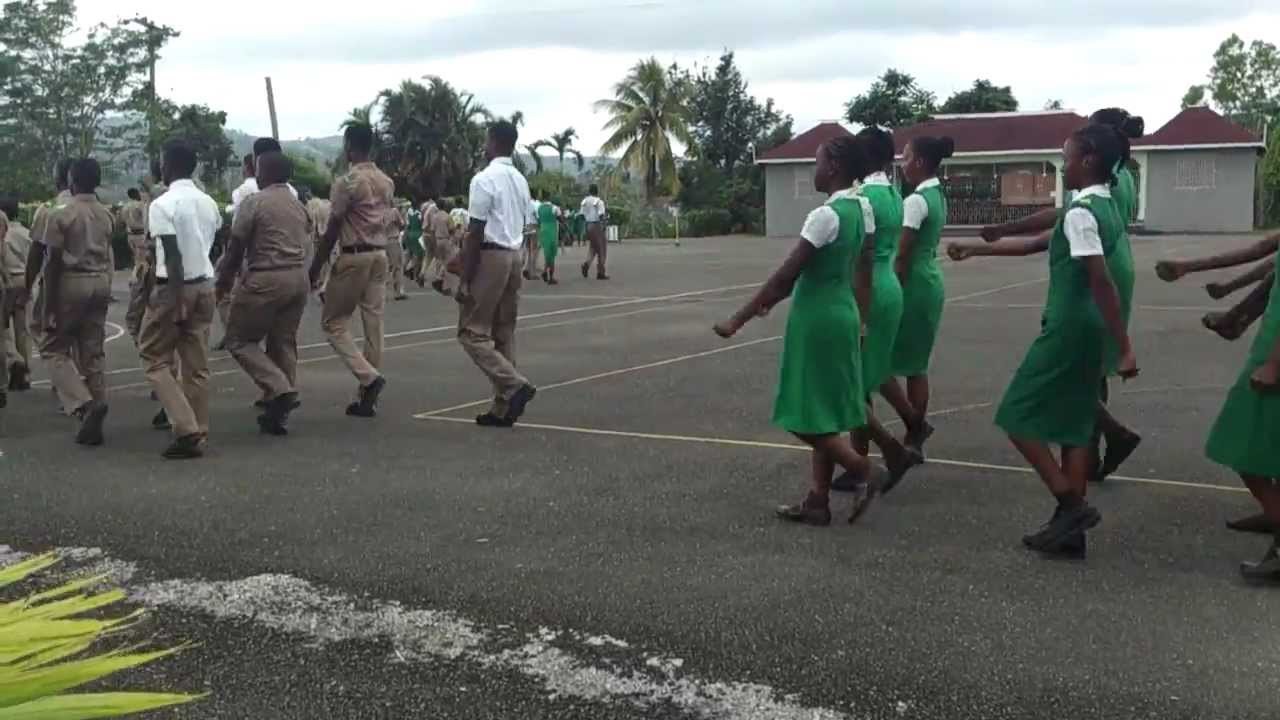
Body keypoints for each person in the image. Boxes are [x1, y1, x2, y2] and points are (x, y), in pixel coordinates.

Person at [949, 124, 1138, 558]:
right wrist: (980, 249)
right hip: (1088, 330)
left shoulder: (1080, 211)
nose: (1062, 164)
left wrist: (1125, 345)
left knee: (1017, 415)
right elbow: (1040, 242)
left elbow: (1101, 280)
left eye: (1066, 156)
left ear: (1088, 159)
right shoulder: (1103, 205)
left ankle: (1072, 506)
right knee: (1074, 428)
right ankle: (1070, 534)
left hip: (1070, 328)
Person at [713, 136, 888, 526]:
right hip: (842, 312)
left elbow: (784, 278)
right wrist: (861, 317)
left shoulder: (825, 216)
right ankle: (817, 500)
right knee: (824, 414)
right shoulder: (863, 207)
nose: (815, 169)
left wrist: (737, 318)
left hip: (818, 319)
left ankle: (864, 469)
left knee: (799, 413)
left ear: (836, 167)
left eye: (819, 161)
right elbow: (864, 267)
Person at [982, 109, 1146, 485]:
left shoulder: (1093, 197)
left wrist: (1125, 345)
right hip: (1109, 262)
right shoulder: (1120, 175)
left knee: (1069, 385)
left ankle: (1074, 488)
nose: (1062, 164)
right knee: (1087, 375)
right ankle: (1086, 468)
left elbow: (1069, 218)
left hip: (1092, 276)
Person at [1156, 233, 1280, 555]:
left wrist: (1274, 364)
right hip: (1269, 348)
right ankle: (1273, 511)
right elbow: (1261, 254)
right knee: (1270, 441)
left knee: (1240, 442)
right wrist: (1191, 266)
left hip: (1274, 357)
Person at [832, 127, 918, 495]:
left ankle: (864, 458)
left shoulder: (862, 197)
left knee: (854, 379)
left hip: (867, 287)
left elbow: (853, 253)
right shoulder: (895, 193)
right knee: (870, 373)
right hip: (889, 285)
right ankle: (910, 426)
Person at [215, 152, 310, 436]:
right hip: (297, 277)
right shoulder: (297, 205)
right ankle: (278, 411)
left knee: (239, 339)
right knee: (283, 341)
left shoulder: (254, 202)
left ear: (263, 173)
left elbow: (235, 247)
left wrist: (223, 282)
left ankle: (280, 389)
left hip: (265, 277)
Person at [140, 139, 222, 460]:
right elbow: (213, 243)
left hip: (174, 287)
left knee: (154, 356)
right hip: (205, 284)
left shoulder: (162, 204)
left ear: (168, 165)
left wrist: (176, 301)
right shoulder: (208, 202)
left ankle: (186, 428)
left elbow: (172, 256)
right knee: (196, 363)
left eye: (161, 160)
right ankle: (199, 429)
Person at [309, 123, 393, 418]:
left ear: (349, 147)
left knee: (333, 323)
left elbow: (333, 227)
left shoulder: (347, 182)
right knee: (374, 325)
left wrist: (316, 267)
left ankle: (368, 378)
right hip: (379, 255)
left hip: (354, 254)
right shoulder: (386, 181)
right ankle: (366, 393)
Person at [457, 120, 538, 428]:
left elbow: (475, 230)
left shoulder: (484, 178)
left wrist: (465, 276)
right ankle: (503, 407)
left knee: (471, 331)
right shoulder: (520, 179)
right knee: (504, 330)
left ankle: (513, 383)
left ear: (492, 142)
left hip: (491, 254)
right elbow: (526, 223)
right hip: (514, 254)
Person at [881, 135, 953, 461]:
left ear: (921, 162)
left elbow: (901, 255)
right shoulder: (937, 194)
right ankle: (915, 437)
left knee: (885, 362)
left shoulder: (915, 201)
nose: (902, 163)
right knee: (915, 365)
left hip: (913, 284)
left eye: (906, 157)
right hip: (928, 279)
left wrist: (890, 293)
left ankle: (914, 430)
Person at [36, 158, 115, 445]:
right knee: (92, 349)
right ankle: (98, 403)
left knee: (53, 346)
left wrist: (48, 307)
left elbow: (53, 263)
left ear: (72, 180)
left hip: (72, 282)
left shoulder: (62, 213)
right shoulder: (105, 214)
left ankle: (83, 403)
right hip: (100, 281)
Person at [1, 195, 33, 392]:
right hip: (24, 279)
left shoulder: (5, 234)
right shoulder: (26, 233)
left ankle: (14, 360)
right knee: (23, 331)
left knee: (4, 329)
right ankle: (24, 376)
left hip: (7, 280)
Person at [426, 198, 455, 295]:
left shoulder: (434, 217)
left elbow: (432, 231)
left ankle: (439, 279)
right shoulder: (447, 216)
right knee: (448, 263)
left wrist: (434, 243)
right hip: (446, 240)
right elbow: (452, 229)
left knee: (441, 260)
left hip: (437, 240)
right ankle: (445, 285)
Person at [580, 185, 608, 280]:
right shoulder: (599, 201)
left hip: (588, 225)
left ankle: (587, 264)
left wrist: (585, 226)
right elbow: (601, 215)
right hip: (596, 225)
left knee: (593, 247)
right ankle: (600, 272)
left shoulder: (584, 201)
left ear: (589, 191)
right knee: (602, 249)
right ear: (597, 191)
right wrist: (603, 226)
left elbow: (581, 215)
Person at [384, 204, 408, 301]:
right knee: (397, 266)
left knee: (386, 267)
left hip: (381, 241)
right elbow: (402, 224)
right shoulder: (393, 211)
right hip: (393, 240)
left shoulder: (377, 210)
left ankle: (383, 292)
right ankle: (398, 292)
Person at [121, 188, 147, 272]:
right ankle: (135, 278)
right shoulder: (140, 205)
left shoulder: (125, 206)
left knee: (136, 258)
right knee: (141, 259)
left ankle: (136, 276)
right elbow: (145, 220)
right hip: (140, 234)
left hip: (130, 235)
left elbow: (123, 221)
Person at [536, 192, 561, 284]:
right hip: (552, 232)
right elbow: (561, 219)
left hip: (543, 231)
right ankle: (551, 277)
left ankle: (545, 271)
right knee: (552, 255)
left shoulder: (539, 208)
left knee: (547, 254)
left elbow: (538, 220)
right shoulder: (554, 208)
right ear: (549, 197)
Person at [405, 201, 425, 285]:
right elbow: (423, 225)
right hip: (418, 235)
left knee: (409, 254)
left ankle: (406, 269)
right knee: (419, 256)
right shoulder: (419, 214)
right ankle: (416, 275)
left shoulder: (408, 213)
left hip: (409, 235)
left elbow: (407, 225)